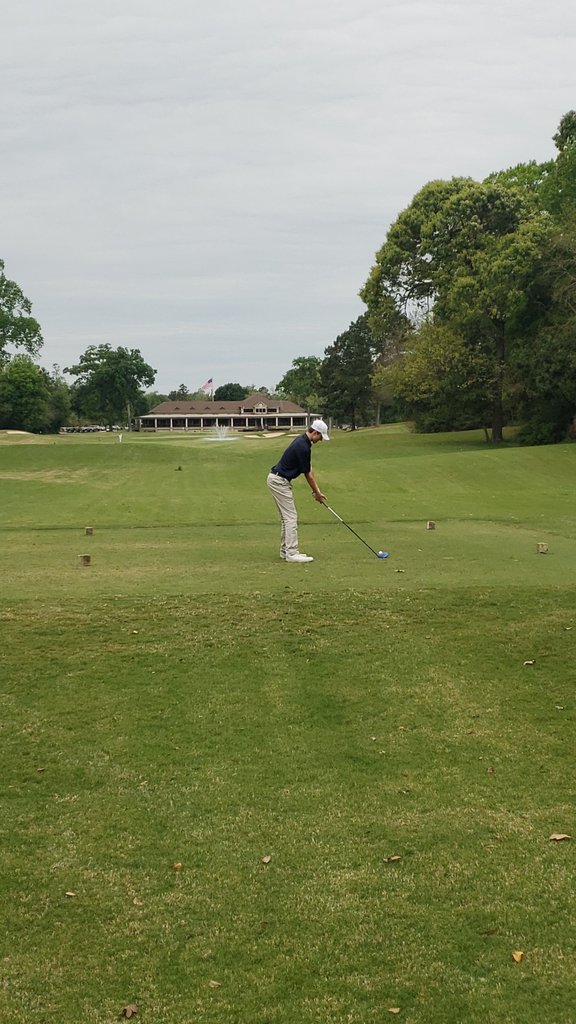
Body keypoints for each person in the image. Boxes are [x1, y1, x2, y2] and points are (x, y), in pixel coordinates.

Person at [267, 419, 329, 563]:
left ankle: (285, 551)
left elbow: (309, 469)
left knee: (286, 518)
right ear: (315, 433)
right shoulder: (303, 446)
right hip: (279, 481)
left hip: (277, 480)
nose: (320, 440)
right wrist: (317, 494)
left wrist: (316, 492)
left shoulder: (304, 442)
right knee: (291, 517)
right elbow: (307, 475)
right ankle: (291, 553)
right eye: (320, 437)